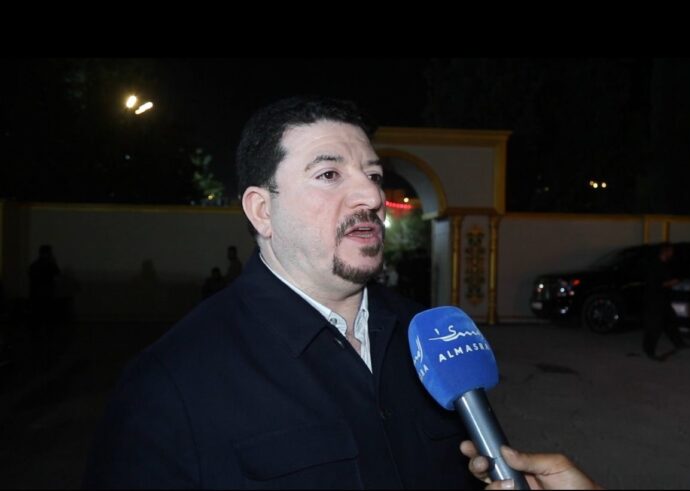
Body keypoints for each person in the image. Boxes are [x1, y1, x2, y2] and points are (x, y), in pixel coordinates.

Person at [83, 96, 599, 489]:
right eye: (329, 174)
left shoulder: (430, 338)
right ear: (262, 210)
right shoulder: (169, 384)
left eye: (373, 175)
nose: (372, 194)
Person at [642, 242, 685, 361]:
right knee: (655, 326)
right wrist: (670, 283)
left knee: (671, 321)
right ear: (665, 251)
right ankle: (649, 350)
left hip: (664, 299)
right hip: (654, 300)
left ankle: (679, 343)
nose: (672, 253)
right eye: (670, 251)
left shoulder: (665, 264)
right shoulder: (655, 265)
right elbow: (654, 284)